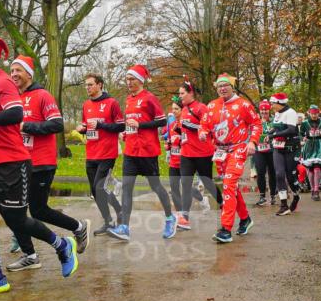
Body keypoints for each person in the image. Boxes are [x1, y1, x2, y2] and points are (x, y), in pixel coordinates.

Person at [0, 35, 78, 295]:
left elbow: (15, 115)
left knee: (17, 220)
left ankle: (62, 245)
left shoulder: (2, 81)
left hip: (12, 163)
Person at [5, 55, 90, 272]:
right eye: (12, 70)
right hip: (19, 161)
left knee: (39, 210)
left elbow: (56, 124)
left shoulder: (42, 95)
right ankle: (30, 254)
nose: (14, 74)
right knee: (18, 211)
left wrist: (27, 127)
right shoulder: (13, 97)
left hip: (41, 162)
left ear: (29, 74)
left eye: (18, 70)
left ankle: (78, 228)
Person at [106, 65, 177, 241]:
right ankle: (124, 227)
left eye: (132, 79)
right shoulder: (129, 100)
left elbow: (161, 122)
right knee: (127, 188)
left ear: (140, 80)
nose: (129, 82)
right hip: (131, 151)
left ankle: (170, 217)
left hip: (147, 151)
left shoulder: (150, 98)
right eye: (127, 79)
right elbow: (131, 123)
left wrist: (140, 126)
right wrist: (125, 132)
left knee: (156, 187)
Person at [199, 74, 261, 243]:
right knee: (231, 188)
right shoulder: (211, 106)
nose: (223, 88)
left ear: (232, 86)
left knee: (228, 185)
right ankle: (245, 219)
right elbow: (204, 126)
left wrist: (253, 142)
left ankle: (226, 229)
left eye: (226, 85)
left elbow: (256, 123)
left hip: (238, 149)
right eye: (219, 86)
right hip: (220, 152)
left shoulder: (243, 105)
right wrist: (203, 133)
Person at [75, 73, 123, 235]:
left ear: (100, 85)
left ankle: (117, 213)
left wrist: (101, 125)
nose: (87, 88)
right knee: (95, 191)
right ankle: (109, 220)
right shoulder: (86, 104)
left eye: (90, 84)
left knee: (99, 187)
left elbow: (120, 126)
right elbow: (86, 124)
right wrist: (82, 129)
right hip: (91, 153)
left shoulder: (112, 103)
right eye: (86, 85)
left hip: (107, 153)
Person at [176, 79, 221, 230]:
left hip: (202, 152)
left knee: (207, 181)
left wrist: (191, 126)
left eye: (182, 93)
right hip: (186, 153)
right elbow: (185, 130)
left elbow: (208, 127)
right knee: (186, 183)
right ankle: (185, 217)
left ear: (191, 93)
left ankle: (223, 203)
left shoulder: (201, 108)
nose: (180, 96)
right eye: (179, 94)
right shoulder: (183, 109)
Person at [269, 93, 301, 216]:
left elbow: (291, 130)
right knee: (279, 174)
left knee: (291, 177)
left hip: (291, 148)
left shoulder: (291, 113)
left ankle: (296, 195)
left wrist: (274, 135)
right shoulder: (277, 113)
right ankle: (283, 205)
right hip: (278, 148)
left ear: (279, 103)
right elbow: (276, 127)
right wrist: (269, 133)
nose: (271, 106)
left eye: (273, 103)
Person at [300, 105, 321, 200]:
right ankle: (312, 189)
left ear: (319, 113)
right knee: (310, 168)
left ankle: (317, 190)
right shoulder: (305, 123)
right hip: (309, 146)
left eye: (316, 113)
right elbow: (300, 134)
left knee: (317, 167)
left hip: (319, 145)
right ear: (309, 113)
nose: (314, 115)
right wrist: (303, 138)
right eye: (312, 113)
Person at [252, 100, 277, 207]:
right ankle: (262, 196)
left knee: (272, 173)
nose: (263, 112)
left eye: (265, 110)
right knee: (260, 173)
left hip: (272, 150)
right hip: (259, 150)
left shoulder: (274, 121)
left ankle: (272, 196)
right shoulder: (256, 121)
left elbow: (278, 132)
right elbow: (251, 133)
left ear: (269, 110)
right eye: (262, 110)